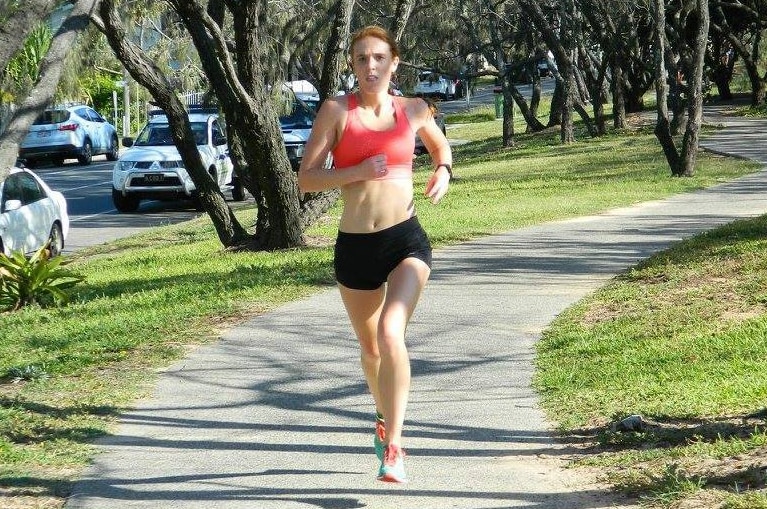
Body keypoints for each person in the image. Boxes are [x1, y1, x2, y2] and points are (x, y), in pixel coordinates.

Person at [297, 25, 452, 483]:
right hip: (355, 247)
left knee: (390, 332)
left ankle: (395, 447)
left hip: (405, 239)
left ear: (394, 63)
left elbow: (439, 146)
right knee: (370, 350)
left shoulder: (414, 109)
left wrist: (442, 170)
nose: (371, 66)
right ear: (352, 64)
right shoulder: (336, 112)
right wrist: (357, 169)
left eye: (379, 58)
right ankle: (382, 415)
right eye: (362, 58)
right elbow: (306, 178)